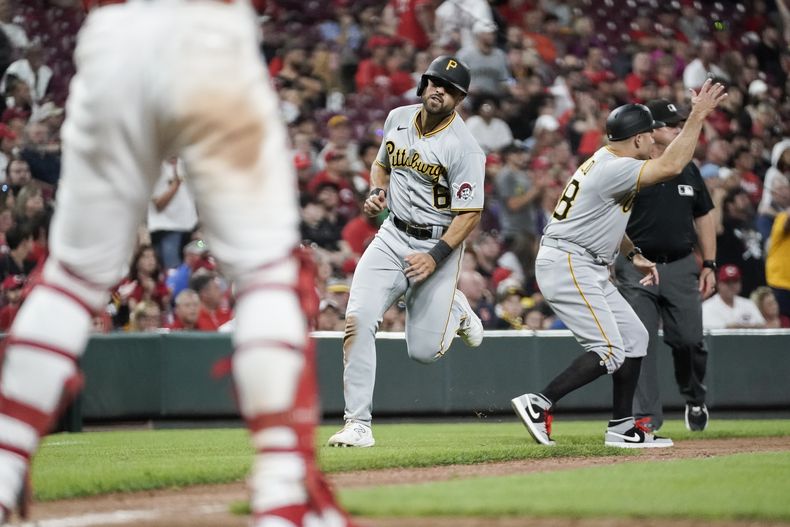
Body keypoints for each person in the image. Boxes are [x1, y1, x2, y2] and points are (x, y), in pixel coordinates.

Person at [0, 1, 353, 525]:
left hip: (113, 42)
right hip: (206, 31)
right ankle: (281, 494)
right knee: (265, 275)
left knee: (70, 282)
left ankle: (4, 470)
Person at [510, 79, 727, 449]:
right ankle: (539, 402)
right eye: (649, 137)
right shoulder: (616, 167)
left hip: (582, 261)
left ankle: (621, 427)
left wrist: (631, 254)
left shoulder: (606, 160)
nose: (654, 143)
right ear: (639, 139)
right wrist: (699, 116)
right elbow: (673, 165)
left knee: (635, 337)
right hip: (569, 261)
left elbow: (606, 220)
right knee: (610, 350)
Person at [327, 56, 485, 448]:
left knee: (424, 352)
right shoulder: (398, 117)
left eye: (448, 88)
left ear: (459, 99)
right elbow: (381, 166)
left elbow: (470, 215)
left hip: (438, 242)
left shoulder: (465, 147)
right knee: (358, 319)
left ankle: (457, 308)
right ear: (423, 83)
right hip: (392, 234)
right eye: (434, 82)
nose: (438, 90)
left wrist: (434, 256)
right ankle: (358, 424)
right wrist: (376, 191)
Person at [613, 99, 717, 433]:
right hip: (637, 267)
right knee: (638, 340)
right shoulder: (629, 167)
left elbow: (703, 214)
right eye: (671, 125)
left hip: (680, 264)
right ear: (651, 131)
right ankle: (645, 418)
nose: (677, 129)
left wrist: (710, 263)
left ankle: (694, 396)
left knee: (689, 341)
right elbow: (611, 219)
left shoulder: (687, 166)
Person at [702, 264, 766, 329]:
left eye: (735, 281)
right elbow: (712, 331)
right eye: (727, 282)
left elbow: (762, 326)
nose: (731, 286)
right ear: (718, 284)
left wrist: (736, 326)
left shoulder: (748, 304)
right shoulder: (707, 306)